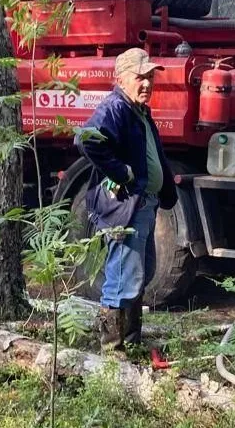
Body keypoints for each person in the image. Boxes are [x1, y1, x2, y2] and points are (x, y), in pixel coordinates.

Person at [75, 47, 178, 353]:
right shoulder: (116, 107)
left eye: (150, 77)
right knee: (122, 277)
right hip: (124, 208)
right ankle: (112, 352)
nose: (147, 83)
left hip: (143, 205)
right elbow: (86, 139)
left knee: (139, 273)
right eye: (140, 77)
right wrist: (123, 173)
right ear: (121, 79)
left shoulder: (139, 111)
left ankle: (131, 344)